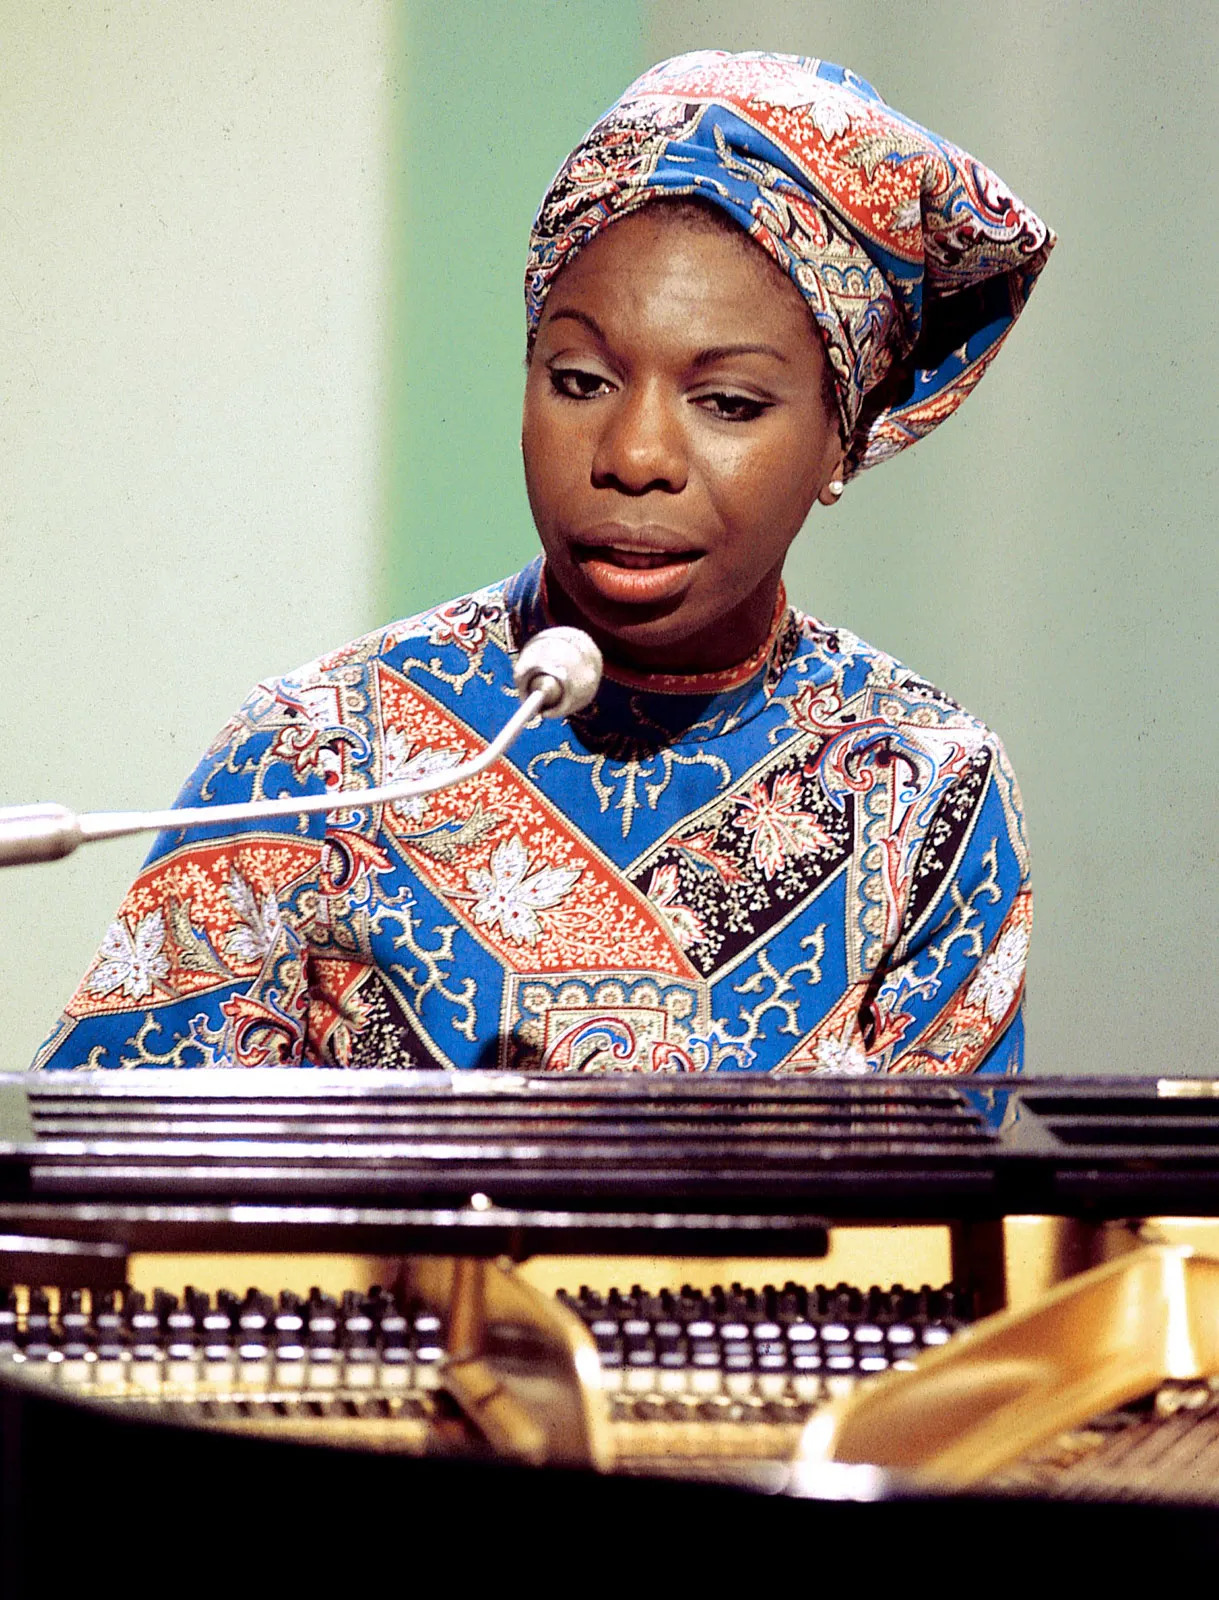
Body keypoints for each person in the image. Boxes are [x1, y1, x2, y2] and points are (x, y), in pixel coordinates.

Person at [35, 50, 1052, 1075]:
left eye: (728, 404)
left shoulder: (925, 790)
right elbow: (105, 1169)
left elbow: (954, 1229)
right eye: (579, 380)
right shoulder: (317, 756)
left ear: (842, 437)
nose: (633, 458)